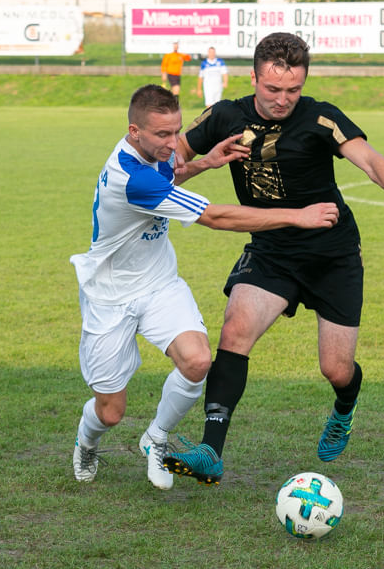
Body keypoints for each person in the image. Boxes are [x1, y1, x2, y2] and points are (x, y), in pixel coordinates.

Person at [162, 32, 384, 485]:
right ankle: (211, 449)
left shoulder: (321, 117)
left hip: (333, 254)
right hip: (272, 251)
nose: (283, 99)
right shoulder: (225, 115)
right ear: (253, 77)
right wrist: (200, 163)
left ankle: (344, 408)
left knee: (336, 368)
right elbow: (170, 166)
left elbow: (368, 159)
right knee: (235, 329)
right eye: (272, 90)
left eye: (293, 90)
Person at [70, 84, 341, 489]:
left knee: (198, 362)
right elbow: (215, 217)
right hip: (109, 296)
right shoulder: (130, 179)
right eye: (162, 135)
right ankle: (87, 443)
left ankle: (156, 439)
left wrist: (207, 161)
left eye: (175, 131)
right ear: (134, 131)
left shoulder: (150, 153)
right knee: (110, 412)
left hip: (159, 284)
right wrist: (296, 216)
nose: (172, 142)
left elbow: (171, 173)